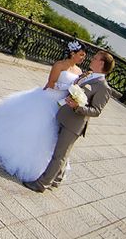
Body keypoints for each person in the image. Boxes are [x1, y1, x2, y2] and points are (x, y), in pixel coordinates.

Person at [0, 42, 88, 182]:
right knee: (33, 127)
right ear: (73, 53)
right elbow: (51, 83)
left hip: (61, 105)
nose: (83, 58)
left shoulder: (79, 72)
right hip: (47, 100)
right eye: (81, 55)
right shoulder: (59, 65)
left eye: (84, 56)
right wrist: (69, 87)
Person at [23, 49, 115, 193]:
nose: (91, 59)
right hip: (64, 116)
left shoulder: (103, 87)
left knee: (59, 155)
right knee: (62, 152)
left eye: (95, 58)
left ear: (101, 63)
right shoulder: (89, 75)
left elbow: (96, 111)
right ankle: (57, 179)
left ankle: (41, 184)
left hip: (74, 125)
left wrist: (78, 107)